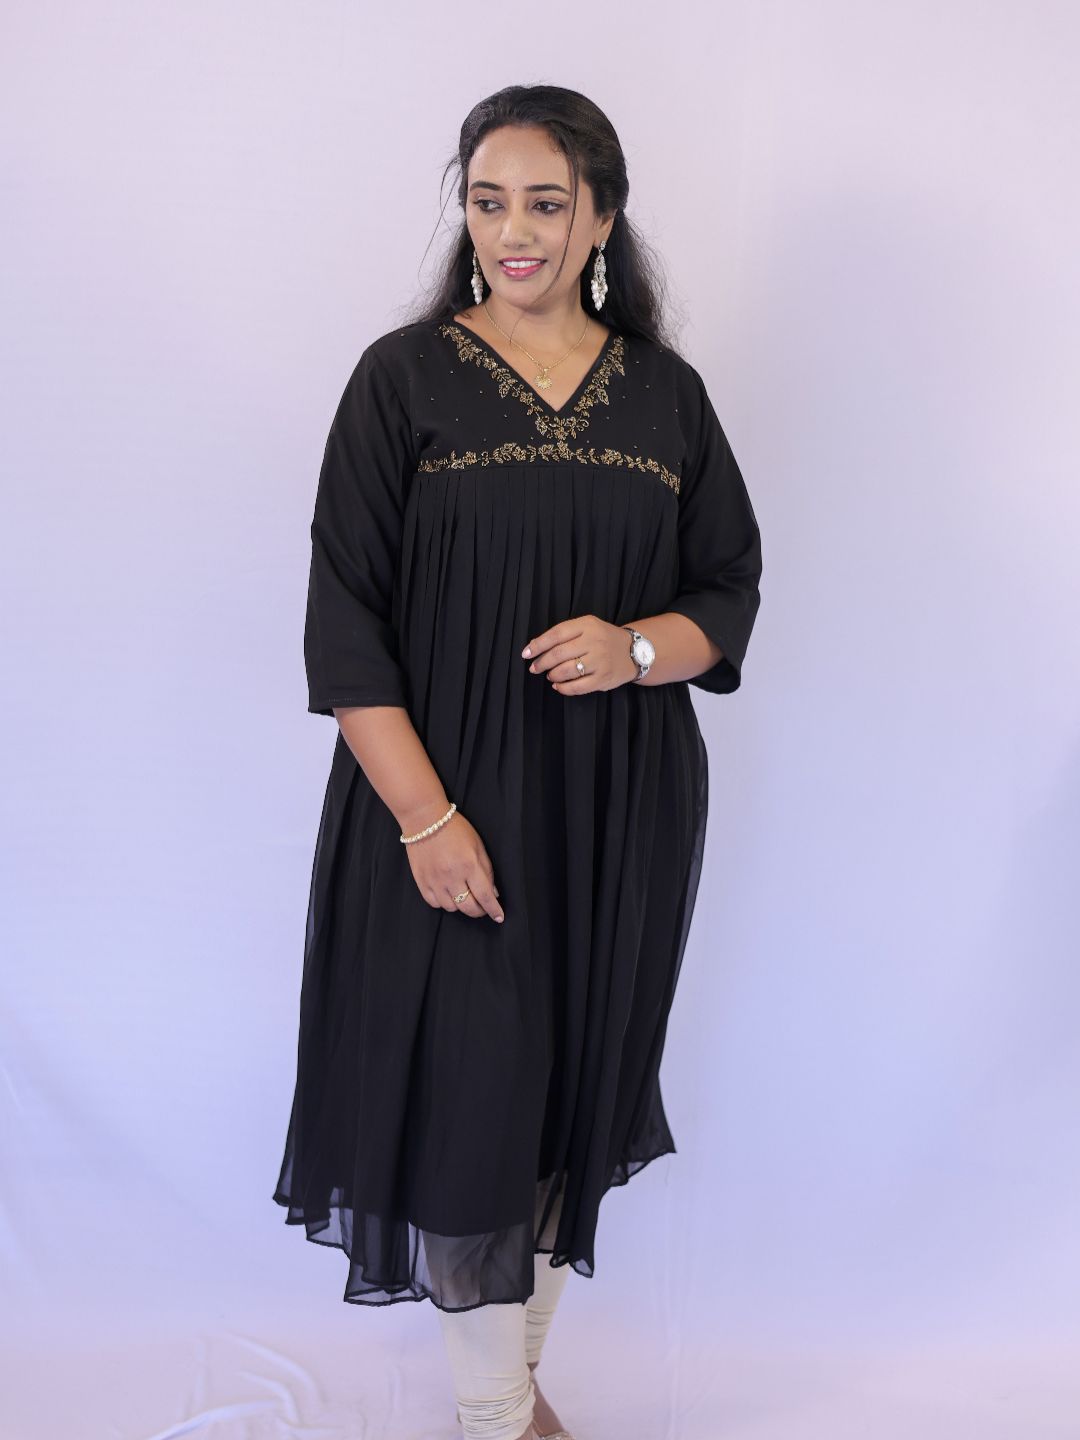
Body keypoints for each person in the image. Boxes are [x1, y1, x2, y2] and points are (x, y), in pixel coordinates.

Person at [272, 83, 763, 1440]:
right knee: (469, 1106)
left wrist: (637, 648)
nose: (514, 232)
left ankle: (508, 1403)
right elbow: (344, 624)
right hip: (445, 810)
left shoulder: (665, 396)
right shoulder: (404, 378)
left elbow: (727, 589)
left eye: (547, 203)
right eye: (489, 202)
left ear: (601, 217)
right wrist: (427, 822)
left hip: (616, 810)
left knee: (565, 1097)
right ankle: (498, 1415)